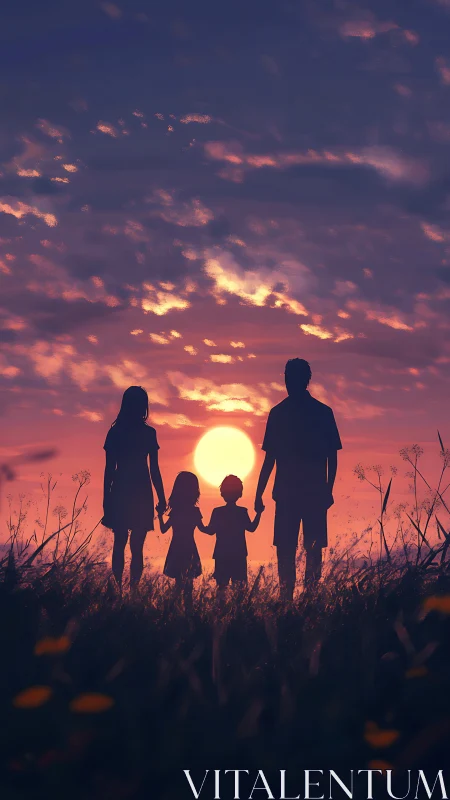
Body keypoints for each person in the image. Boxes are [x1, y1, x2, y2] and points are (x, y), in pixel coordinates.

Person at [255, 358, 342, 600]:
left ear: (304, 380)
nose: (288, 382)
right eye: (287, 377)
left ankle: (306, 597)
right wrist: (259, 491)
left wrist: (328, 489)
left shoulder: (317, 413)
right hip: (293, 492)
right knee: (290, 548)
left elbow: (332, 456)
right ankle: (289, 597)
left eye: (291, 377)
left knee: (306, 548)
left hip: (303, 492)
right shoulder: (284, 413)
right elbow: (270, 458)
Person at [102, 386, 166, 589]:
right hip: (140, 491)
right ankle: (132, 592)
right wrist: (161, 497)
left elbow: (109, 470)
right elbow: (154, 469)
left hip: (122, 489)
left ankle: (120, 588)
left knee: (120, 543)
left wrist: (106, 498)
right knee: (136, 546)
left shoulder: (116, 432)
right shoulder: (148, 433)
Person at [158, 471, 210, 608]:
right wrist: (216, 527)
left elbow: (163, 529)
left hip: (176, 549)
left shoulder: (176, 511)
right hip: (190, 549)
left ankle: (171, 612)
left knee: (178, 586)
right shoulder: (194, 512)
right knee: (188, 586)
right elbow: (204, 529)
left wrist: (159, 515)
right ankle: (187, 612)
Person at [205, 475, 263, 590]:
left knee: (221, 588)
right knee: (240, 589)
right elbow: (251, 528)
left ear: (222, 493)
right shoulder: (242, 512)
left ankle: (221, 608)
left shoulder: (217, 512)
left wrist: (198, 524)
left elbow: (210, 531)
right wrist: (259, 513)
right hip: (239, 554)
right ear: (239, 493)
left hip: (222, 554)